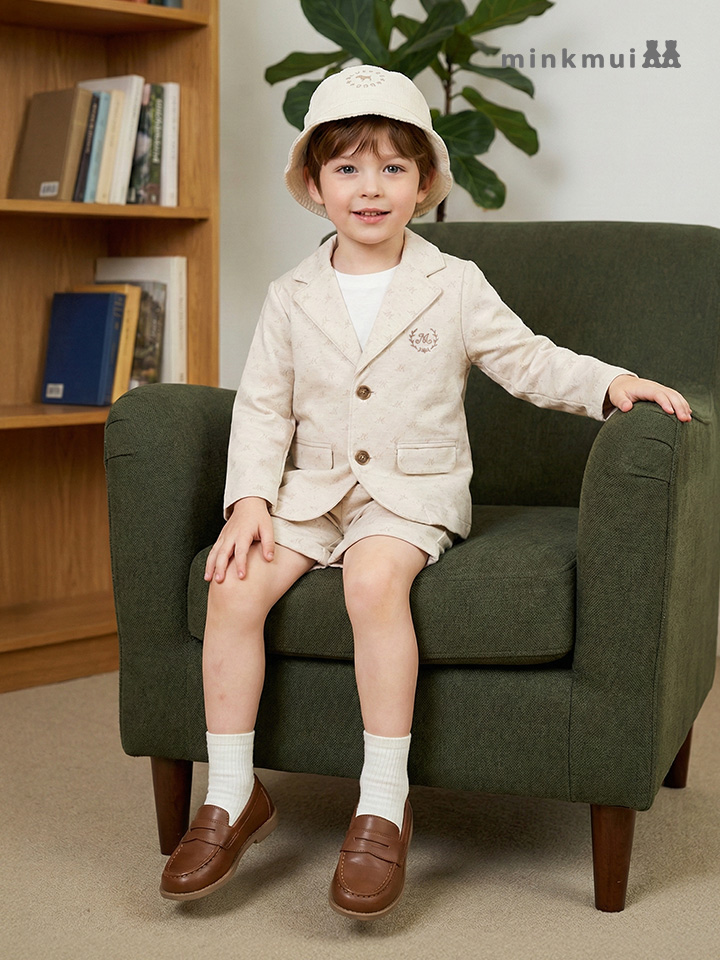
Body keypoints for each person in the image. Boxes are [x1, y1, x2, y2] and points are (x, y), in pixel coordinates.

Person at [159, 65, 692, 917]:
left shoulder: (454, 283)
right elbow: (261, 407)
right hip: (310, 490)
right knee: (232, 586)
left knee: (374, 582)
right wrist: (251, 500)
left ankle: (382, 801)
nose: (369, 187)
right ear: (315, 186)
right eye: (347, 168)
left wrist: (609, 383)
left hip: (409, 490)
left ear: (423, 184)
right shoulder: (290, 295)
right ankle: (231, 793)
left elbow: (528, 359)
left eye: (392, 168)